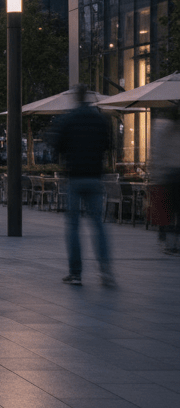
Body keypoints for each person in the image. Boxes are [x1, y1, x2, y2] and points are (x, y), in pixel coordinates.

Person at [49, 85, 115, 287]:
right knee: (98, 224)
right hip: (95, 177)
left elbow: (56, 145)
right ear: (88, 97)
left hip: (75, 177)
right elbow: (109, 145)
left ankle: (76, 273)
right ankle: (105, 270)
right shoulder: (100, 119)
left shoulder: (68, 119)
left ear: (75, 98)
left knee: (73, 227)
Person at [150, 112, 180, 254]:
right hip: (173, 174)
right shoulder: (165, 128)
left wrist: (156, 174)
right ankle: (172, 242)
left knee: (169, 211)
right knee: (175, 211)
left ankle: (169, 242)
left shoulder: (160, 127)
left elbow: (158, 154)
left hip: (167, 176)